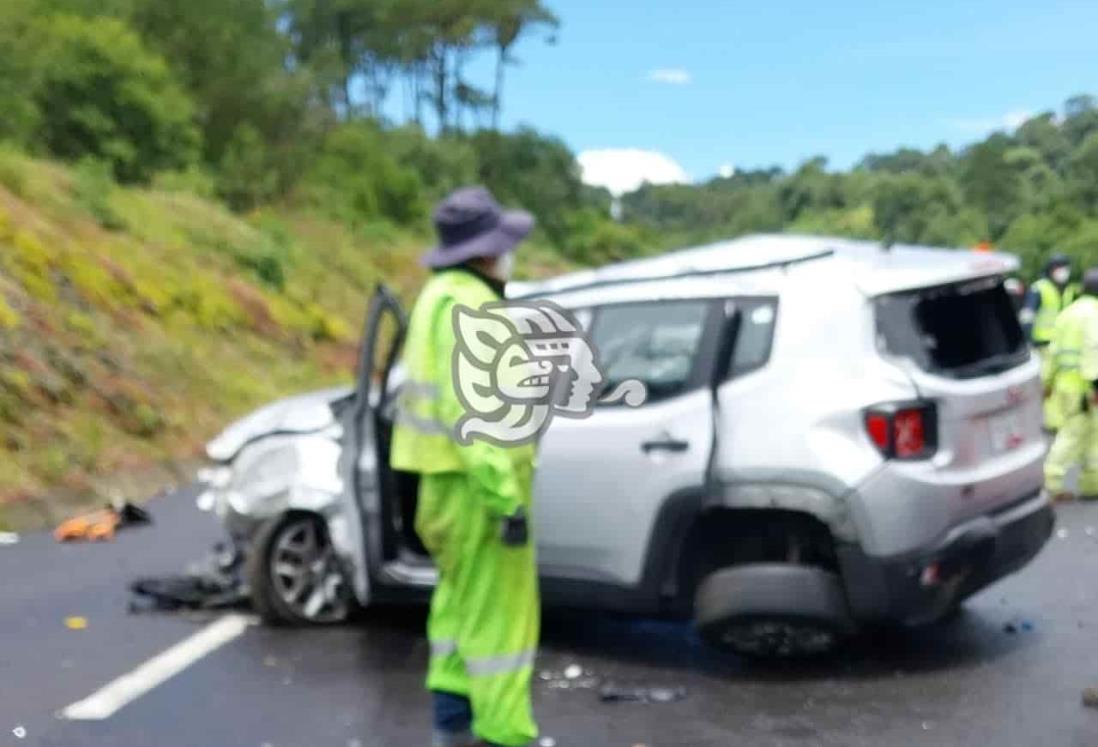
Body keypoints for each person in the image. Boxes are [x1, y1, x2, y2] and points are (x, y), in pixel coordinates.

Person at [390, 186, 540, 747]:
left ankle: (451, 731)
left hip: (442, 492)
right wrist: (505, 498)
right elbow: (473, 414)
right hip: (478, 495)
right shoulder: (473, 306)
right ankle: (508, 737)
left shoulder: (436, 296)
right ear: (485, 252)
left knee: (456, 619)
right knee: (502, 630)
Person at [1043, 268, 1098, 502]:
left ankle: (1091, 484)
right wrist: (1095, 386)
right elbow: (1093, 350)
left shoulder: (1068, 313)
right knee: (1074, 435)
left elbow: (1053, 352)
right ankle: (1051, 480)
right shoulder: (1094, 313)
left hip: (1065, 386)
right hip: (1084, 388)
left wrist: (1047, 381)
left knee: (1091, 435)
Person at [1023, 254, 1080, 431]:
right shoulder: (1039, 288)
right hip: (1043, 343)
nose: (1064, 272)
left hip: (1064, 344)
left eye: (1066, 267)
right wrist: (1028, 339)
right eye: (1060, 268)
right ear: (1051, 270)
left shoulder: (1069, 290)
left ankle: (1062, 418)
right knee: (1048, 383)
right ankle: (1051, 421)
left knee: (1063, 382)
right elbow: (1027, 315)